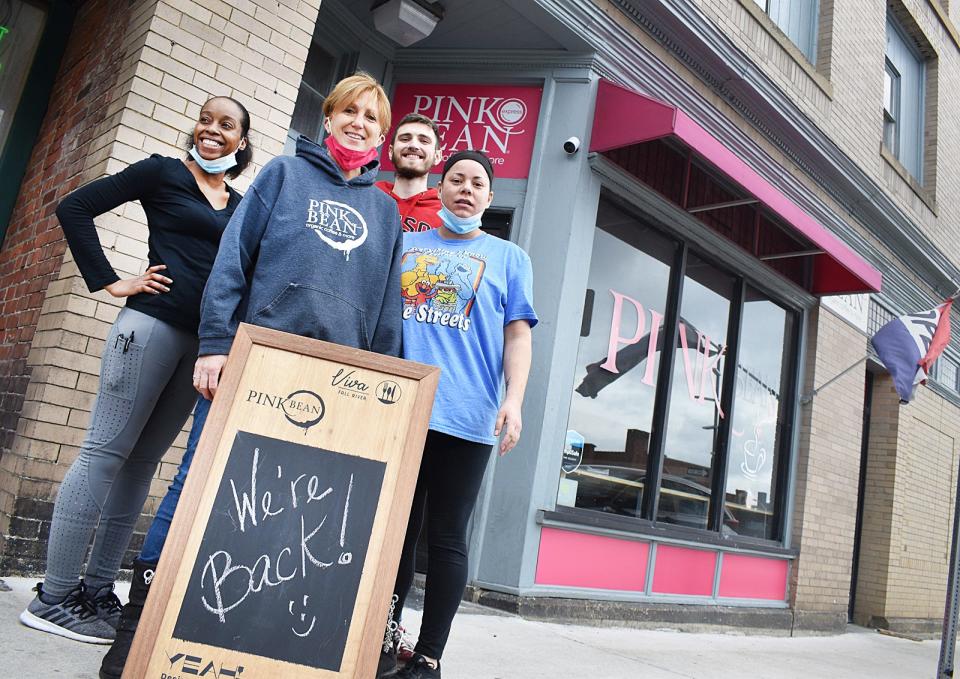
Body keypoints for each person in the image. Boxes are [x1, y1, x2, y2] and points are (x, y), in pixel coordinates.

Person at [98, 71, 403, 679]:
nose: (359, 124)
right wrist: (214, 344)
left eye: (372, 118)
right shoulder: (282, 177)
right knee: (198, 482)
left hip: (338, 382)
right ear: (329, 119)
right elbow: (232, 263)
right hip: (256, 360)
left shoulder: (386, 211)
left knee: (299, 510)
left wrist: (386, 390)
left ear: (381, 134)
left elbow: (388, 308)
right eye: (350, 112)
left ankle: (252, 640)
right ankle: (140, 623)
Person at [19, 97, 253, 645]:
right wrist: (110, 280)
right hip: (147, 329)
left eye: (227, 125)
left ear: (241, 142)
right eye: (205, 118)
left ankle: (98, 591)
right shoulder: (162, 172)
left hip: (200, 347)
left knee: (142, 464)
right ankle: (53, 596)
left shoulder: (240, 205)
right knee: (105, 452)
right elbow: (74, 208)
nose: (211, 129)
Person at [380, 150, 537, 679]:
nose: (466, 189)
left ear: (490, 198)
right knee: (395, 533)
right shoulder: (406, 246)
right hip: (400, 410)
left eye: (477, 183)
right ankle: (384, 637)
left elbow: (518, 335)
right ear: (439, 188)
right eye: (456, 180)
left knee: (446, 537)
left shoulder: (510, 257)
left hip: (467, 417)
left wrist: (513, 400)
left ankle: (427, 658)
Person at [376, 112, 443, 232]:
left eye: (424, 141)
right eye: (405, 139)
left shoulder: (446, 213)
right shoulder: (368, 195)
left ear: (437, 156)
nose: (413, 145)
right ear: (390, 152)